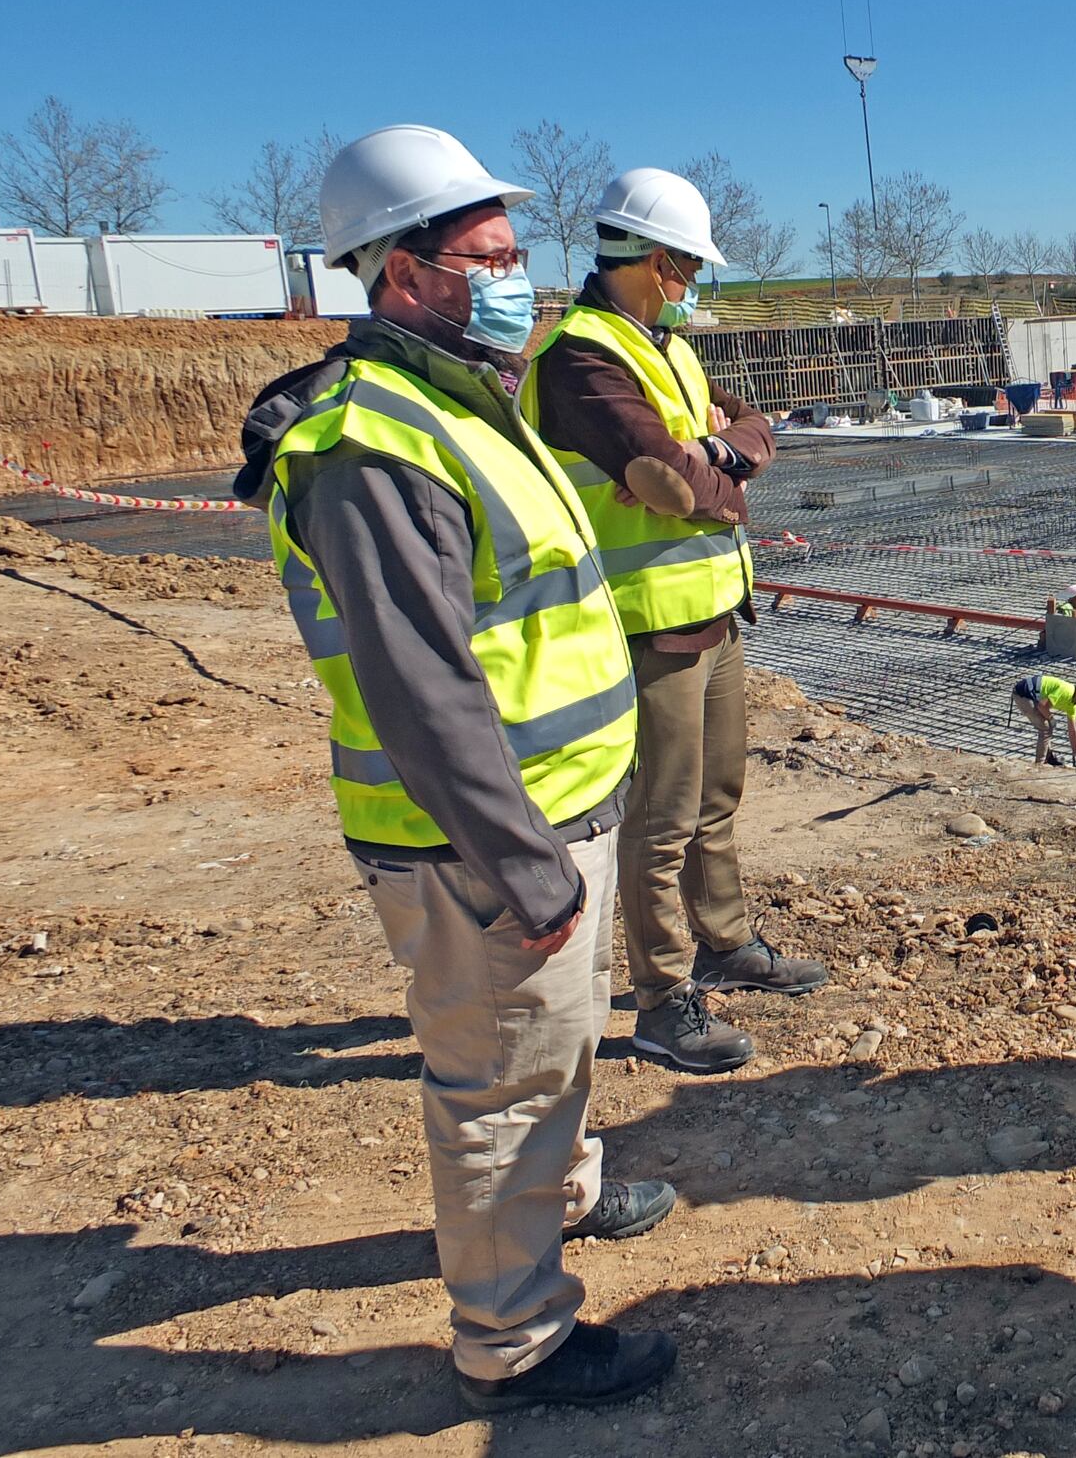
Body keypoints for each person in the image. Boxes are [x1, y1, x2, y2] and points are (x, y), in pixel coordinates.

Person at [232, 126, 676, 1411]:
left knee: (553, 1056)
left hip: (550, 813)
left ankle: (568, 1194)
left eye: (513, 250)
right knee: (499, 1083)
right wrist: (526, 866)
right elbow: (421, 693)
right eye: (484, 255)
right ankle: (515, 1333)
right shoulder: (373, 445)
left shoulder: (457, 400)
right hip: (482, 845)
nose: (516, 276)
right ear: (400, 275)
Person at [521, 168, 824, 1078]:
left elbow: (746, 433)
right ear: (657, 262)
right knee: (661, 820)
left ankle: (723, 943)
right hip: (648, 624)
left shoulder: (668, 348)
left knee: (717, 799)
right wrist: (712, 472)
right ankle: (660, 1001)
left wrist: (719, 455)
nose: (694, 285)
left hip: (715, 613)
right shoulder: (582, 357)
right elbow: (678, 486)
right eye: (689, 268)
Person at [1011, 673, 1076, 766]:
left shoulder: (1073, 704)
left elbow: (1072, 731)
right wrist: (1051, 718)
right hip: (1023, 694)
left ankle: (1048, 757)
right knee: (1045, 728)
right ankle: (1039, 765)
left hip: (1032, 695)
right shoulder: (1066, 692)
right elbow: (1042, 706)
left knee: (1048, 726)